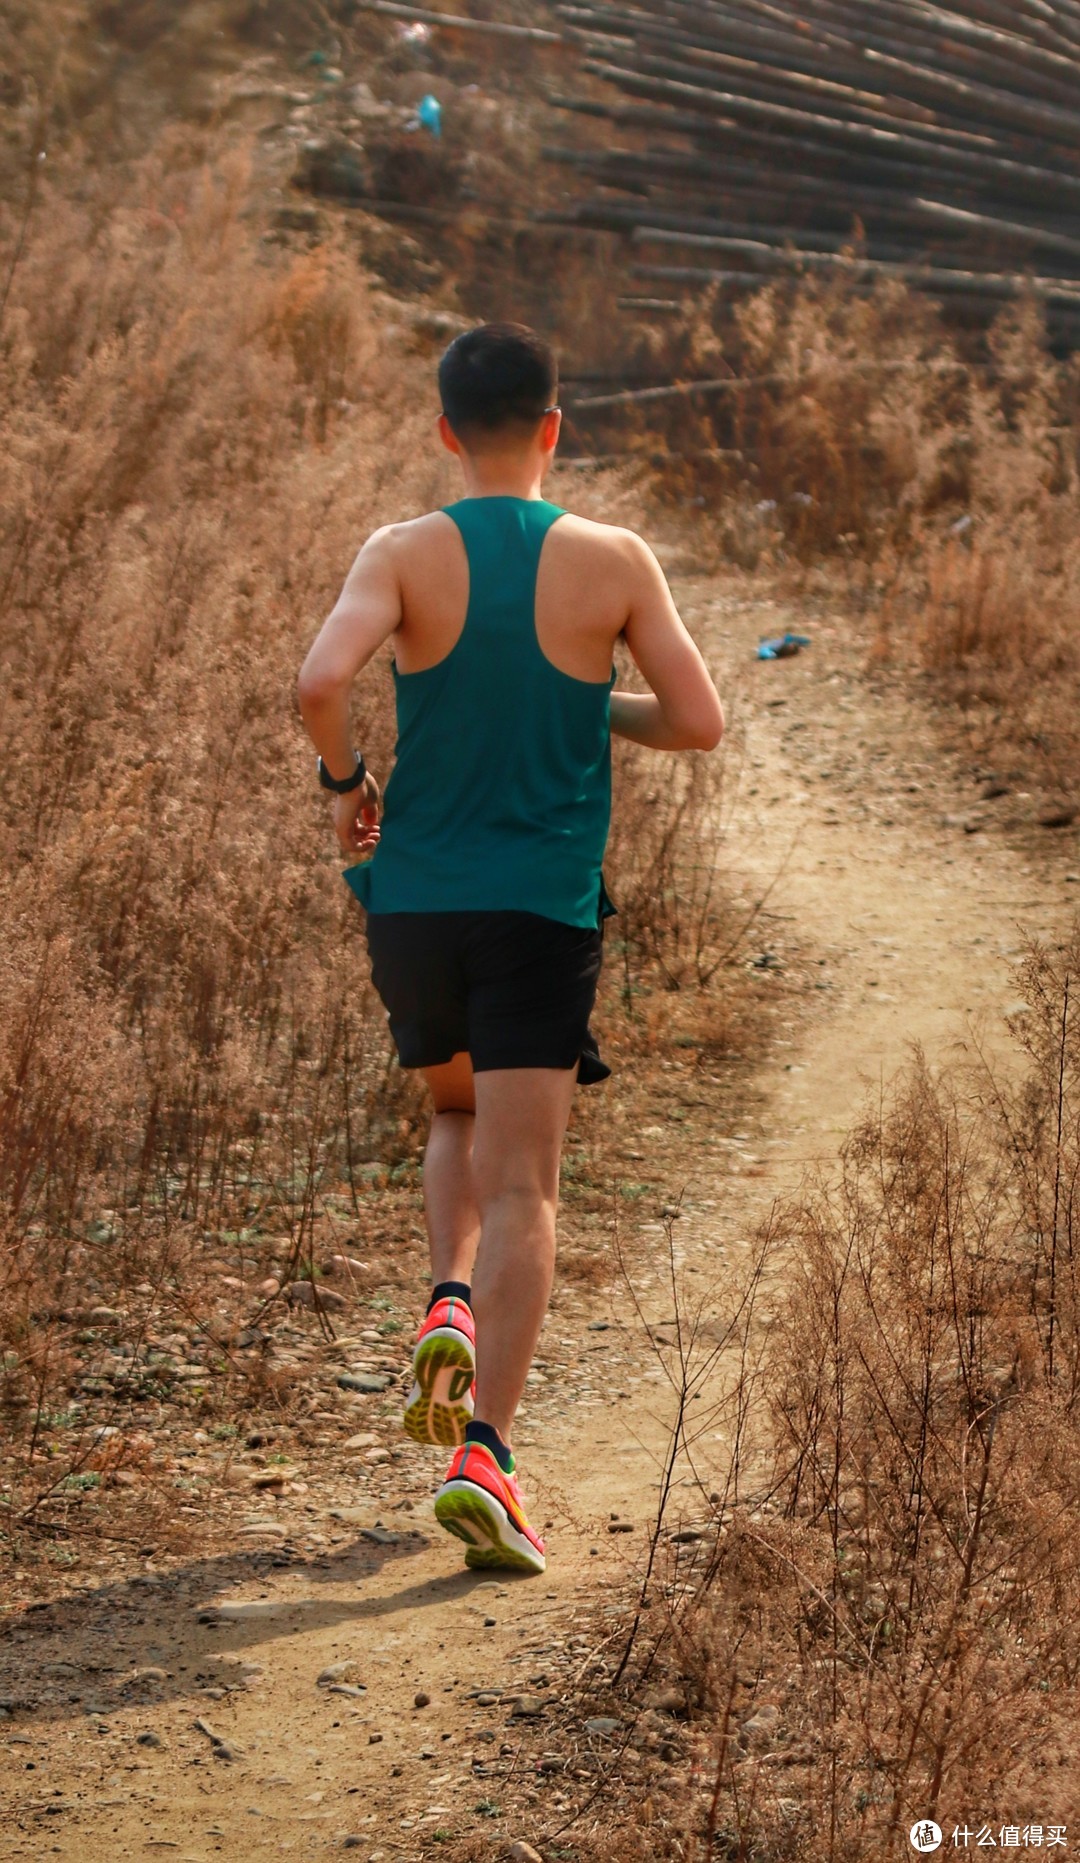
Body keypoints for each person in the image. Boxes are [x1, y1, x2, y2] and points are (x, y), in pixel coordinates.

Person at [298, 322, 723, 1574]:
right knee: (526, 1184)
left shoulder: (401, 552)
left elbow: (323, 677)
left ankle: (445, 1297)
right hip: (541, 905)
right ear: (555, 424)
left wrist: (346, 779)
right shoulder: (615, 559)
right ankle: (486, 1452)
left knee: (450, 1118)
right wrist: (590, 697)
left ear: (445, 430)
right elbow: (698, 723)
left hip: (414, 899)